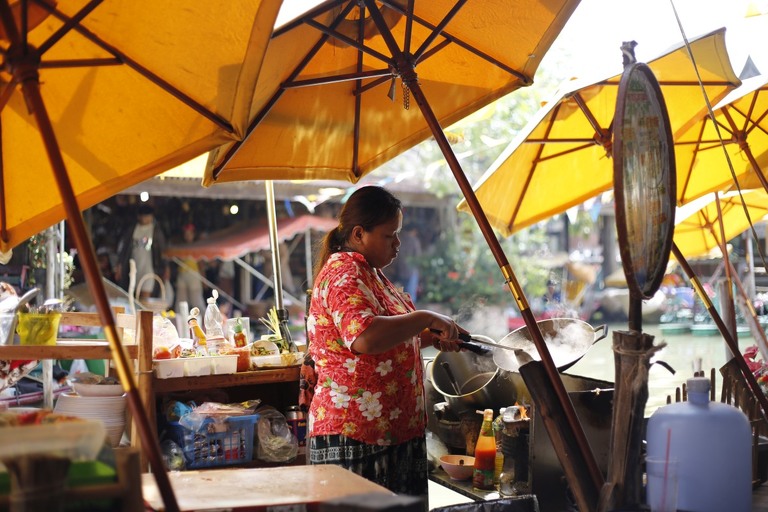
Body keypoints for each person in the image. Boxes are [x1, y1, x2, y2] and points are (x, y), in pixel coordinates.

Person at [305, 186, 466, 507]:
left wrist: (431, 337)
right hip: (356, 436)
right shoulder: (343, 271)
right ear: (359, 234)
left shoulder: (372, 274)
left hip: (394, 433)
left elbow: (388, 341)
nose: (398, 243)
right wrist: (425, 316)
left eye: (398, 234)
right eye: (390, 235)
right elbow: (364, 338)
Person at [114, 204, 169, 301]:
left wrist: (166, 267)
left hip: (150, 268)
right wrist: (119, 265)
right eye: (144, 216)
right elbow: (124, 249)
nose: (146, 218)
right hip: (133, 268)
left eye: (148, 216)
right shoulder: (132, 230)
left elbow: (163, 251)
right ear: (139, 216)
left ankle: (143, 314)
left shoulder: (156, 231)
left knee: (145, 296)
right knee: (132, 295)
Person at [174, 224, 206, 315]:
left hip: (194, 275)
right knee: (181, 300)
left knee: (196, 300)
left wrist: (203, 279)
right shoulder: (181, 246)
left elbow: (201, 264)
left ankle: (204, 320)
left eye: (189, 234)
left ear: (193, 234)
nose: (187, 236)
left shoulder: (197, 246)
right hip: (182, 275)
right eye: (185, 234)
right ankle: (181, 320)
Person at [392, 222, 422, 302]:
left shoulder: (398, 239)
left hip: (399, 271)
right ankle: (411, 312)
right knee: (410, 296)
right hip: (411, 271)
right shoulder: (414, 241)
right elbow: (418, 258)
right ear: (414, 230)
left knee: (400, 294)